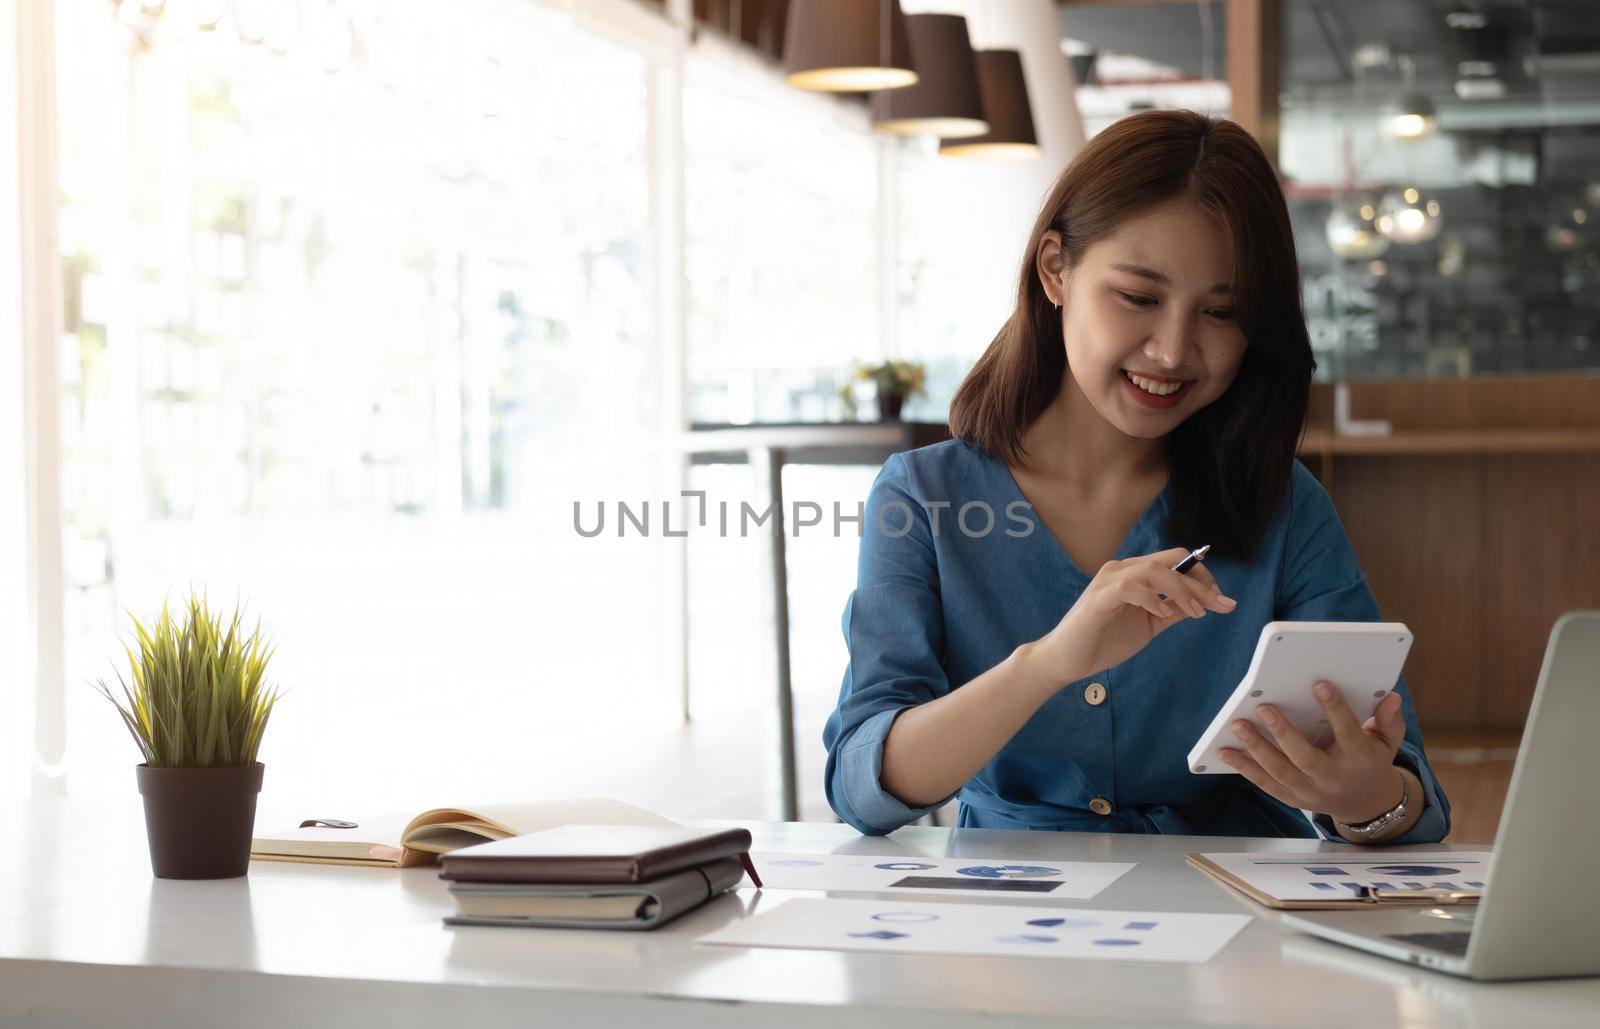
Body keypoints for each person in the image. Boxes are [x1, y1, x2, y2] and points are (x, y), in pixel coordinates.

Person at [822, 110, 1450, 844]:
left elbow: (1410, 799)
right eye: (1139, 298)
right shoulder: (924, 497)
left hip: (1236, 920)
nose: (1174, 349)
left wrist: (1369, 796)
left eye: (1222, 311)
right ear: (1055, 269)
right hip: (1011, 922)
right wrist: (1049, 662)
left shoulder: (1284, 505)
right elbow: (862, 785)